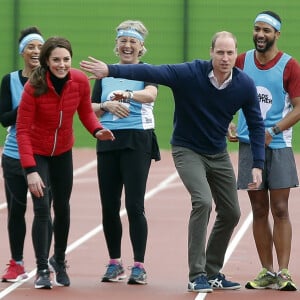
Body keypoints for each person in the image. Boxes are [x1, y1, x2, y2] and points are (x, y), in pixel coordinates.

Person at [80, 31, 265, 293]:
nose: (225, 58)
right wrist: (109, 70)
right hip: (187, 148)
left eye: (230, 53)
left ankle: (213, 271)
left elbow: (256, 124)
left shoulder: (244, 85)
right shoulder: (190, 73)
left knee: (232, 212)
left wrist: (258, 163)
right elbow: (154, 72)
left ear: (237, 55)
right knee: (202, 201)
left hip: (218, 152)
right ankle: (197, 274)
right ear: (211, 52)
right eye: (220, 52)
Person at [16, 36, 115, 289]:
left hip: (62, 151)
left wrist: (97, 130)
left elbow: (84, 112)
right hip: (37, 152)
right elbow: (22, 130)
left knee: (62, 207)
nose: (62, 64)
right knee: (41, 208)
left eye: (66, 59)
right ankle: (41, 269)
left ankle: (58, 260)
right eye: (56, 60)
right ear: (47, 62)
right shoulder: (33, 87)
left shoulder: (79, 81)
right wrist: (30, 170)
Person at [228, 11, 300, 291]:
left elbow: (298, 107)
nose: (260, 34)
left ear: (277, 35)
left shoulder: (290, 66)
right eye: (257, 29)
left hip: (279, 146)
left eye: (266, 30)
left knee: (280, 209)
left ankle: (284, 272)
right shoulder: (242, 61)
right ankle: (266, 272)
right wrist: (229, 124)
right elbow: (227, 95)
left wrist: (273, 131)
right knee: (258, 209)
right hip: (249, 146)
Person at [91, 20, 160, 285]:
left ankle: (139, 265)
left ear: (141, 46)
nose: (127, 46)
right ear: (117, 44)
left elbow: (151, 95)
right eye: (123, 40)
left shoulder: (147, 70)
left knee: (134, 205)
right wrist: (106, 104)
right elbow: (90, 107)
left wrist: (125, 95)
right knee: (109, 206)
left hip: (137, 140)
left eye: (132, 41)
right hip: (107, 140)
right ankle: (114, 263)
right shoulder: (104, 75)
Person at [0, 26, 52, 283]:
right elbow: (3, 119)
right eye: (30, 46)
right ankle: (17, 263)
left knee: (44, 209)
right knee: (15, 210)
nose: (34, 50)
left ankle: (46, 263)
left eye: (39, 46)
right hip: (13, 154)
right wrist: (26, 104)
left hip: (42, 153)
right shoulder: (9, 80)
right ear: (23, 52)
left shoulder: (52, 78)